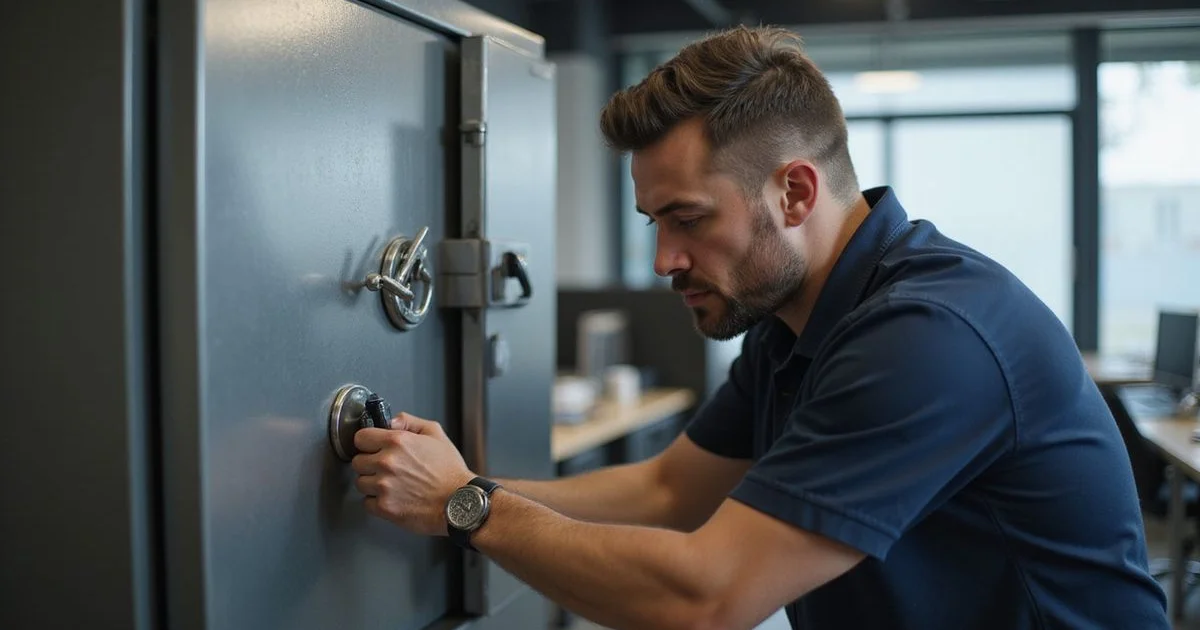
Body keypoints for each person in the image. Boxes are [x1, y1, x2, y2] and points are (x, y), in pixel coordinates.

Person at [349, 25, 1170, 630]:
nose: (664, 260)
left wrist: (465, 507)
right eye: (653, 223)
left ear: (796, 194)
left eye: (688, 219)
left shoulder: (928, 337)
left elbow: (708, 598)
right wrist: (457, 483)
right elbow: (668, 492)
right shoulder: (790, 322)